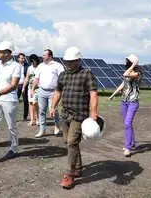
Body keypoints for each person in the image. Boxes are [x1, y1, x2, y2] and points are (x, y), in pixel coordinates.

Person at [50, 46, 98, 189]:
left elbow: (93, 93)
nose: (68, 64)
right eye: (67, 61)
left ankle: (70, 175)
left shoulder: (86, 74)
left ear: (78, 60)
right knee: (68, 141)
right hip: (65, 115)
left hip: (79, 116)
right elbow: (58, 91)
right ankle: (78, 167)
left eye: (71, 61)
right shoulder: (63, 75)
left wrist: (93, 112)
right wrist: (53, 107)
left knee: (71, 142)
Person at [109, 54, 142, 157]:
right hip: (124, 102)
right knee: (127, 124)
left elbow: (125, 74)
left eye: (127, 60)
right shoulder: (128, 72)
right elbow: (123, 84)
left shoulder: (138, 73)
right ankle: (131, 143)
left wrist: (134, 65)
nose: (125, 62)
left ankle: (128, 148)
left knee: (128, 123)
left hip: (133, 102)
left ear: (131, 62)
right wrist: (113, 94)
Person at [31, 49, 65, 137]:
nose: (42, 57)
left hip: (53, 92)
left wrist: (62, 90)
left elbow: (62, 79)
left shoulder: (58, 66)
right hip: (42, 91)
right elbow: (36, 79)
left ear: (50, 56)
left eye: (44, 55)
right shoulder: (40, 66)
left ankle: (57, 125)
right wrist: (32, 89)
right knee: (42, 111)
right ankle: (42, 130)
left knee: (53, 110)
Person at [22, 54, 40, 126]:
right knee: (31, 103)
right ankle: (32, 119)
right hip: (30, 87)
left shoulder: (40, 67)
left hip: (38, 88)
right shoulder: (29, 68)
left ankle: (37, 119)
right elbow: (27, 78)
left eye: (33, 61)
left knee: (35, 103)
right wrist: (23, 87)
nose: (32, 63)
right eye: (31, 61)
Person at [16, 53, 29, 121]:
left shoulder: (27, 66)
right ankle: (13, 116)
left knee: (25, 101)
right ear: (18, 58)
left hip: (24, 85)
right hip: (17, 85)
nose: (23, 59)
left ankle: (25, 117)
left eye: (24, 58)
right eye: (22, 58)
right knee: (15, 101)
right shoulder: (15, 66)